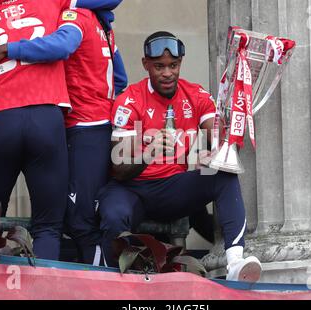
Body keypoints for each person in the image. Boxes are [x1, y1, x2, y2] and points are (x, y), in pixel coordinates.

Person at [96, 31, 262, 282]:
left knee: (223, 176)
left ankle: (235, 263)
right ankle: (114, 281)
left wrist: (218, 147)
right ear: (146, 65)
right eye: (159, 66)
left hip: (172, 188)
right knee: (112, 213)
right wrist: (149, 153)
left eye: (173, 65)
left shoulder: (195, 94)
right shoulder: (129, 100)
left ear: (180, 63)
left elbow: (219, 138)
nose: (167, 73)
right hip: (132, 188)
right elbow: (119, 169)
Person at [0, 0, 122, 261]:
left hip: (2, 117)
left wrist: (8, 48)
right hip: (50, 118)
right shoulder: (55, 3)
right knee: (49, 227)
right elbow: (119, 77)